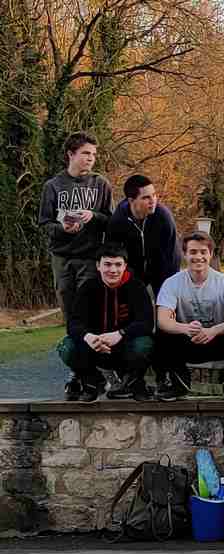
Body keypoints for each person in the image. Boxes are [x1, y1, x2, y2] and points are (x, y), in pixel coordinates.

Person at [38, 132, 114, 400]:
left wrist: (93, 216)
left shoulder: (100, 184)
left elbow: (111, 221)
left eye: (93, 154)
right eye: (85, 153)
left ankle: (91, 372)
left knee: (89, 315)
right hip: (62, 258)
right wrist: (63, 228)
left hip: (90, 258)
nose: (90, 159)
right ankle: (80, 372)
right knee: (70, 316)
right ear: (71, 154)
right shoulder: (53, 186)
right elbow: (44, 223)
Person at [154, 231, 224, 402]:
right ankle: (177, 385)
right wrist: (185, 328)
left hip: (216, 340)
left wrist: (214, 330)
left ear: (210, 254)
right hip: (186, 341)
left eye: (203, 252)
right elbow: (162, 319)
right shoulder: (172, 283)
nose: (198, 257)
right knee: (161, 333)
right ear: (184, 254)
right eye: (193, 252)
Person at [56, 244, 154, 402]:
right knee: (66, 347)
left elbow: (146, 323)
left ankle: (133, 381)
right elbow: (73, 323)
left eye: (118, 265)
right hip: (95, 346)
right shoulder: (87, 288)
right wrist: (89, 337)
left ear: (125, 266)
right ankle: (93, 380)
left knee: (145, 344)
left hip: (125, 346)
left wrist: (120, 334)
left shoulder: (137, 287)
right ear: (98, 266)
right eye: (107, 264)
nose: (113, 270)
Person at [106, 174, 181, 296]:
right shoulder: (118, 221)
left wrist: (168, 290)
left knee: (165, 299)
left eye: (154, 195)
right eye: (146, 197)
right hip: (133, 269)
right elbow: (113, 253)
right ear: (131, 200)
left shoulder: (163, 217)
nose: (153, 201)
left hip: (161, 266)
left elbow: (170, 258)